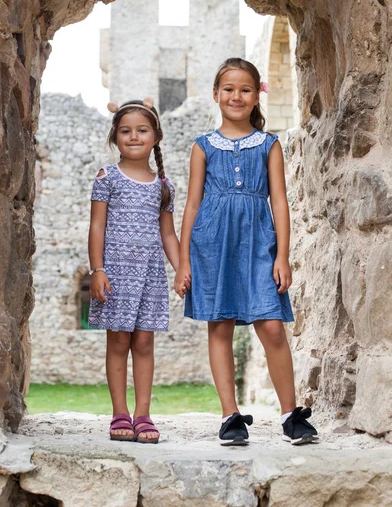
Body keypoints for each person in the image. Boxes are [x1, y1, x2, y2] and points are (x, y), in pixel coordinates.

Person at [174, 58, 319, 446]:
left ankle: (290, 415)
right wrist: (184, 260)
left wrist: (282, 255)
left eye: (245, 89)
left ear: (256, 95)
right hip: (212, 244)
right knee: (219, 324)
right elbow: (191, 205)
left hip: (258, 242)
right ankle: (230, 417)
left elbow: (281, 202)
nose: (236, 96)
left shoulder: (269, 145)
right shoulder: (202, 146)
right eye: (229, 89)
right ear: (216, 95)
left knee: (271, 325)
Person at [88, 98, 184, 443]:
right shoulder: (107, 177)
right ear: (116, 137)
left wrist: (181, 268)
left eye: (142, 130)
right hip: (115, 274)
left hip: (149, 276)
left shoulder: (163, 187)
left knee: (143, 342)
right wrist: (97, 270)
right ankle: (119, 413)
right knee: (118, 342)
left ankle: (143, 414)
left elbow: (168, 234)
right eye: (125, 131)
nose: (133, 136)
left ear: (155, 136)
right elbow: (97, 227)